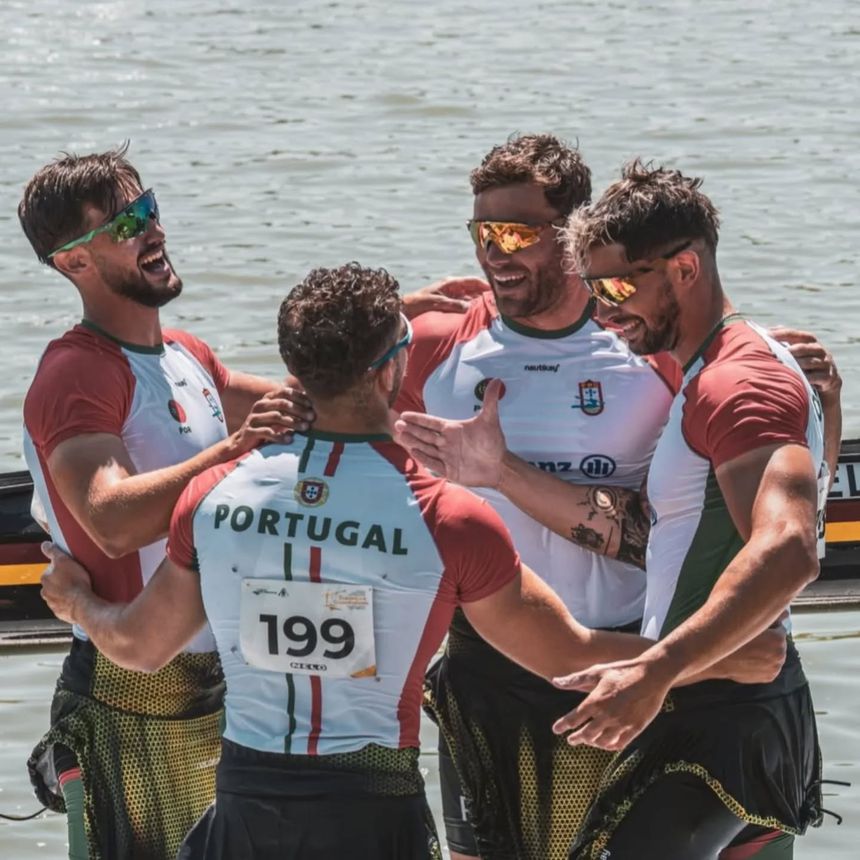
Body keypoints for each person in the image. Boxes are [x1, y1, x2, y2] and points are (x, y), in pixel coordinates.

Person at [37, 263, 788, 860]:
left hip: (242, 808)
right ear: (396, 370)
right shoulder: (449, 519)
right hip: (372, 815)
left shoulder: (210, 494)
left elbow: (139, 645)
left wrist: (78, 605)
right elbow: (569, 654)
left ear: (295, 367)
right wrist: (720, 657)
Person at [397, 161, 840, 859]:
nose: (606, 306)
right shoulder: (722, 370)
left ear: (686, 270)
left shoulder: (735, 382)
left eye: (620, 286)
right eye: (597, 285)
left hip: (724, 710)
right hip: (708, 691)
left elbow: (789, 547)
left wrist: (658, 666)